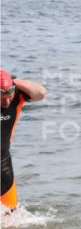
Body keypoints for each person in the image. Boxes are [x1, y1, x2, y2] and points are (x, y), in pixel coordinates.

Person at [1, 70, 48, 211]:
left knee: (10, 216)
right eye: (2, 98)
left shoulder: (17, 97)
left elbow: (41, 93)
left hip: (3, 165)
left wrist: (13, 81)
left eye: (9, 97)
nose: (7, 102)